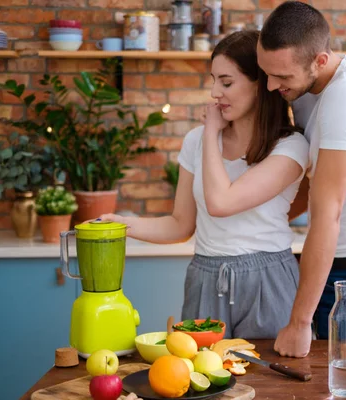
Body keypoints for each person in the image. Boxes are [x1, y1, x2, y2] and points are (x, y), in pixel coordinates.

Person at [99, 30, 309, 339]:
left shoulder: (290, 146)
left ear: (260, 84)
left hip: (268, 279)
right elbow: (181, 225)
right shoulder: (195, 141)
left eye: (225, 82)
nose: (214, 92)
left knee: (270, 383)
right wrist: (120, 225)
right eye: (213, 80)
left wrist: (211, 133)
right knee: (202, 379)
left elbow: (220, 203)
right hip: (205, 279)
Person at [257, 1, 346, 357]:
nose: (271, 85)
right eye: (266, 73)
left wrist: (298, 323)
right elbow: (312, 181)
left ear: (320, 61)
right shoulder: (308, 89)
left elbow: (328, 212)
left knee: (341, 385)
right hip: (340, 265)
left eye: (282, 77)